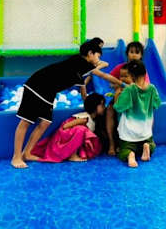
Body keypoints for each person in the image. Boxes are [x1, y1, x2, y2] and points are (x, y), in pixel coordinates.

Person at [11, 40, 111, 169]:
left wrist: (97, 63)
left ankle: (27, 153)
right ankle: (16, 157)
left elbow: (86, 85)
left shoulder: (80, 68)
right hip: (36, 85)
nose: (99, 59)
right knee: (26, 121)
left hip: (49, 91)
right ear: (90, 53)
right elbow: (103, 68)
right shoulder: (80, 62)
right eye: (98, 56)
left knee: (45, 122)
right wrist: (119, 83)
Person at [30, 93, 106, 162]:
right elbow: (65, 126)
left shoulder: (94, 120)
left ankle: (75, 153)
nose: (104, 107)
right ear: (94, 106)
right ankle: (73, 156)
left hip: (72, 136)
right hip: (63, 136)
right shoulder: (84, 118)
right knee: (81, 130)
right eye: (102, 105)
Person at [113, 60, 161, 168]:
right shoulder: (152, 88)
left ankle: (130, 155)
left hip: (129, 133)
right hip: (145, 131)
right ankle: (147, 146)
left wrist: (116, 96)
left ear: (131, 75)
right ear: (145, 73)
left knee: (123, 149)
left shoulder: (129, 90)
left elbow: (119, 108)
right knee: (152, 145)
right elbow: (157, 104)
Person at [105, 41, 151, 155]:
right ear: (127, 54)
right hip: (120, 96)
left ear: (141, 55)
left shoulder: (141, 70)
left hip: (136, 100)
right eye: (131, 52)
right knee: (110, 110)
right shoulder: (121, 68)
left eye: (137, 52)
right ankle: (111, 143)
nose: (134, 55)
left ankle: (143, 141)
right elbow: (110, 82)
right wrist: (119, 84)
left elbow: (145, 86)